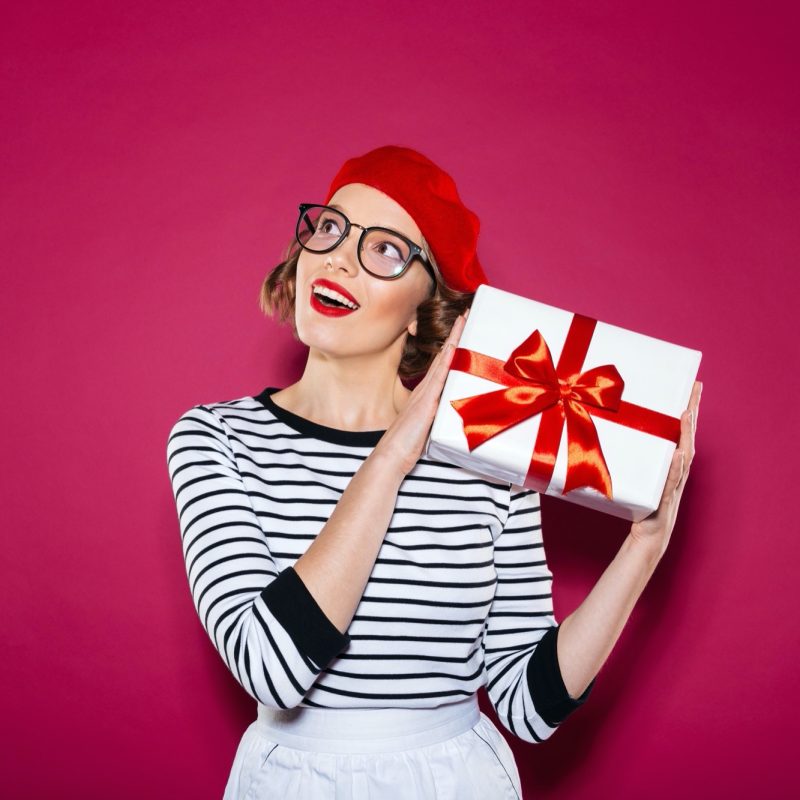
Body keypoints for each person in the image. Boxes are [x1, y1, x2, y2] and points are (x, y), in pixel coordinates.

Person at [166, 145, 702, 799]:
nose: (337, 257)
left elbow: (529, 706)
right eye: (329, 228)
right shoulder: (214, 439)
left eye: (385, 250)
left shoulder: (489, 462)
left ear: (425, 309)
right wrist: (392, 455)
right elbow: (272, 671)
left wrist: (644, 548)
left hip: (457, 781)